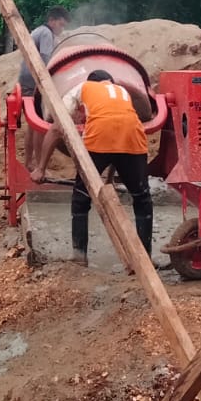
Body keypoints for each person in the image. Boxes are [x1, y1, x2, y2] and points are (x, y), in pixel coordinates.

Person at [62, 70, 154, 262]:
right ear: (110, 81)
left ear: (92, 81)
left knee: (81, 197)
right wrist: (110, 179)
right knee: (142, 198)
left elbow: (61, 115)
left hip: (99, 139)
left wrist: (40, 166)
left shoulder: (84, 87)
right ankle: (145, 256)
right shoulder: (122, 91)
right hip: (132, 139)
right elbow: (117, 139)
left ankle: (79, 254)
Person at [18, 6, 70, 162]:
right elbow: (46, 59)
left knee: (32, 125)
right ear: (52, 20)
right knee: (39, 125)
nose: (61, 29)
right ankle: (38, 164)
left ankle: (29, 162)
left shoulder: (38, 31)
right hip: (34, 81)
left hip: (26, 78)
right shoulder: (46, 34)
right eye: (61, 24)